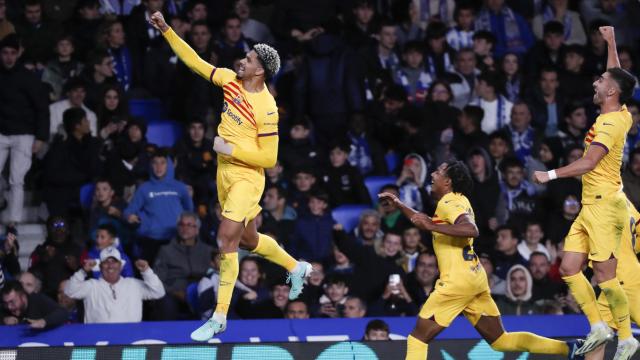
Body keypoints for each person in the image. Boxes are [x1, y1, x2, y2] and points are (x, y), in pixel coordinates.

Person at [150, 11, 311, 340]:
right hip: (225, 174)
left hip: (247, 179)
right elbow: (194, 61)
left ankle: (219, 315)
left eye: (249, 59)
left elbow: (270, 158)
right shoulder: (228, 80)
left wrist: (230, 151)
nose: (242, 60)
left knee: (226, 240)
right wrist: (167, 30)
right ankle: (297, 267)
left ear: (260, 70)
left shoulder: (267, 107)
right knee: (250, 241)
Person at [378, 160, 581, 360]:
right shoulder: (459, 200)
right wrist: (399, 203)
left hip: (456, 283)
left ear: (447, 182)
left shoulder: (448, 203)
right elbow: (422, 221)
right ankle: (568, 349)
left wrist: (433, 227)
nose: (432, 174)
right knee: (501, 340)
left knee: (417, 340)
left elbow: (470, 229)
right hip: (474, 278)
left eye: (438, 171)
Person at [533, 26, 640, 358]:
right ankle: (599, 326)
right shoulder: (618, 110)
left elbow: (589, 161)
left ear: (610, 91)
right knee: (568, 268)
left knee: (607, 279)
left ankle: (625, 338)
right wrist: (610, 42)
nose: (594, 83)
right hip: (592, 206)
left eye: (599, 82)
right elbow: (615, 76)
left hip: (605, 207)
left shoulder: (609, 124)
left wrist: (549, 174)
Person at [586, 201, 640, 360]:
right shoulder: (628, 204)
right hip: (613, 281)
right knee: (596, 339)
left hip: (625, 279)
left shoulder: (601, 203)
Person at [64, 246, 165, 323]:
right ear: (100, 266)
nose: (110, 265)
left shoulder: (133, 284)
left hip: (130, 340)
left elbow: (159, 292)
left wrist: (147, 271)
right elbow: (69, 291)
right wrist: (83, 271)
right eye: (106, 262)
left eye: (114, 261)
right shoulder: (92, 285)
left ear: (121, 266)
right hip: (98, 341)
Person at [1, 280, 68, 328]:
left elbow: (63, 312)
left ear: (23, 296)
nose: (9, 307)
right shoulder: (4, 309)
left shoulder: (37, 300)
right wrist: (3, 320)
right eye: (6, 303)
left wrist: (44, 321)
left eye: (12, 302)